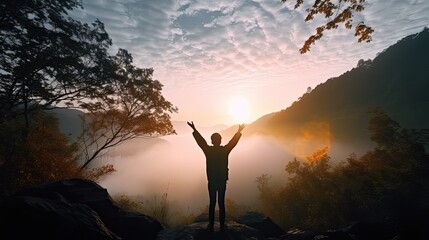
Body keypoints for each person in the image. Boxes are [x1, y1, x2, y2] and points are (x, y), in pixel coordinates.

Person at [187, 121, 245, 233]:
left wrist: (194, 130)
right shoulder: (225, 150)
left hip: (212, 181)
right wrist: (238, 132)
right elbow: (233, 143)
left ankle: (211, 224)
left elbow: (201, 142)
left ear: (212, 141)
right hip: (222, 181)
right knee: (221, 203)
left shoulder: (208, 150)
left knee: (212, 202)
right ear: (220, 140)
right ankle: (222, 225)